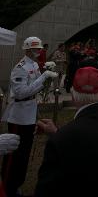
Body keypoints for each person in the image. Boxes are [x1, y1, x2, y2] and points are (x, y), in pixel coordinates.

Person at [34, 66, 98, 197]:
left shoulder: (61, 139)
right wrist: (58, 133)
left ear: (72, 94)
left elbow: (45, 189)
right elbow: (89, 140)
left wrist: (58, 136)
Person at [1, 36, 58, 197]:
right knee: (14, 154)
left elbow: (35, 88)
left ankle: (17, 183)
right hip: (19, 115)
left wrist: (46, 75)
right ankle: (7, 187)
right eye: (35, 49)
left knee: (24, 154)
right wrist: (44, 76)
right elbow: (21, 92)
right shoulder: (20, 67)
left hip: (29, 111)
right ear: (27, 50)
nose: (38, 52)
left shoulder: (33, 64)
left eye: (39, 49)